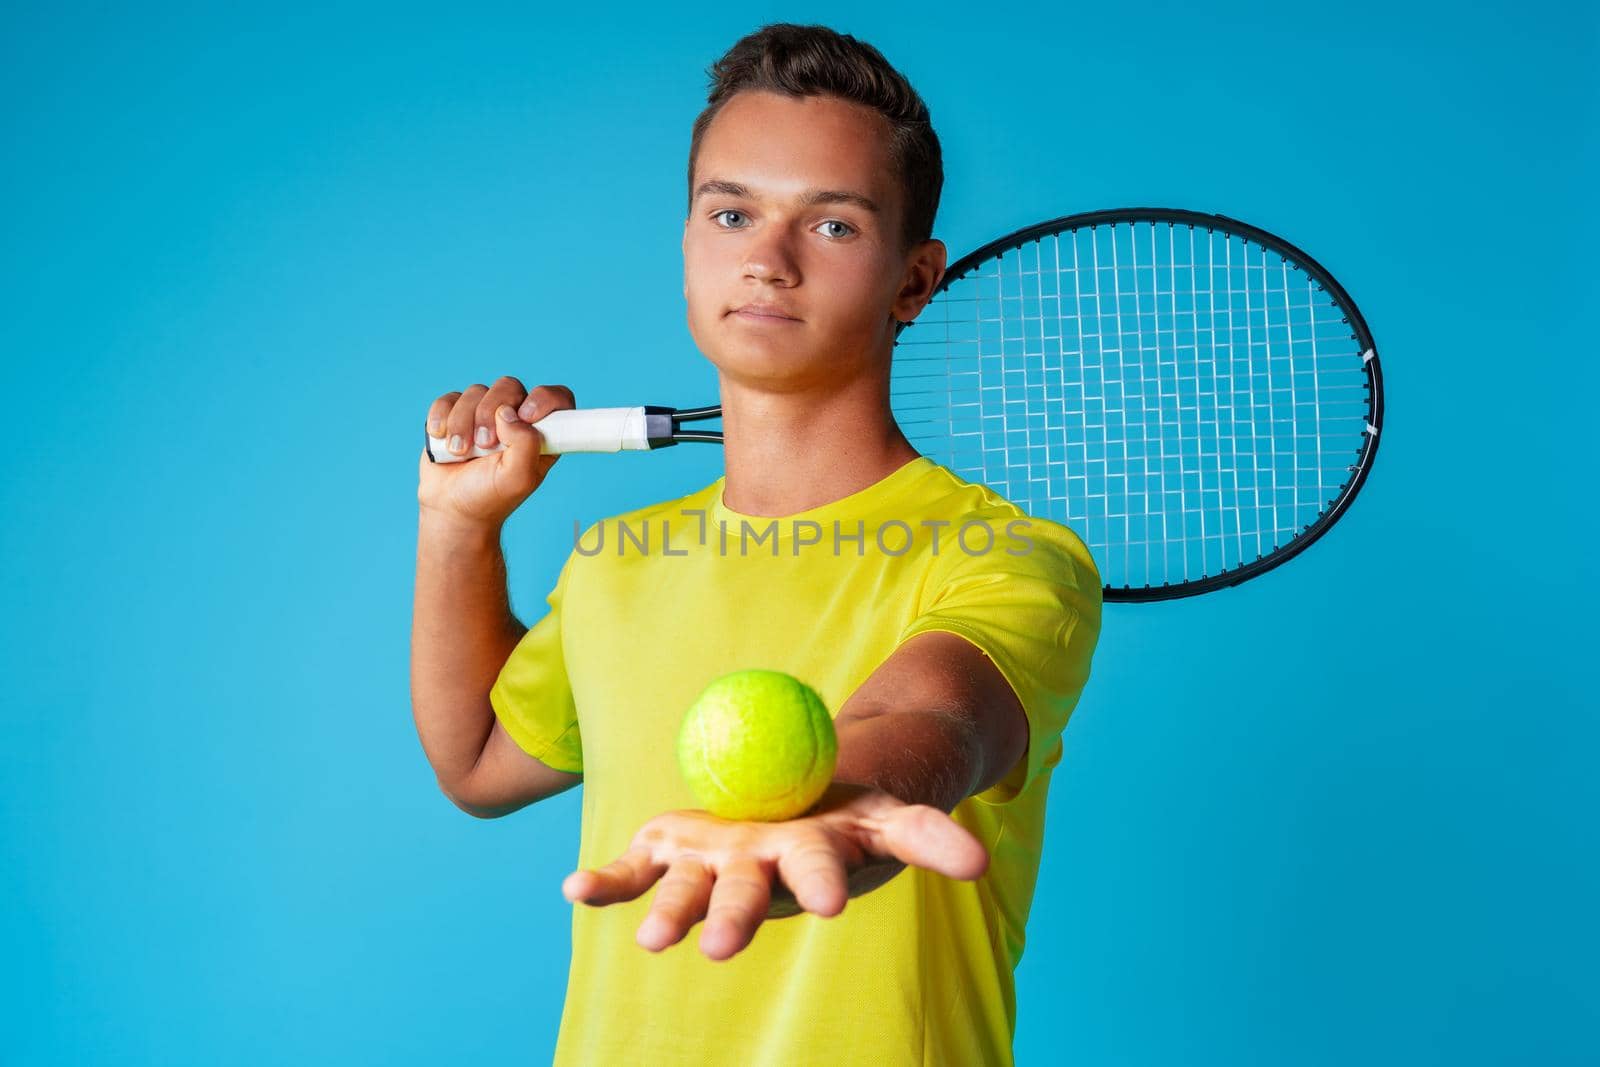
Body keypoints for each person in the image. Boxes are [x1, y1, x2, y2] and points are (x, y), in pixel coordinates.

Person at [411, 23, 1102, 1067]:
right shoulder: (617, 557)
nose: (765, 261)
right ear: (688, 245)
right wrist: (458, 526)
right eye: (730, 212)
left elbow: (932, 718)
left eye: (830, 226)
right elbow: (476, 762)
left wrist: (842, 801)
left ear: (913, 282)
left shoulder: (1005, 558)